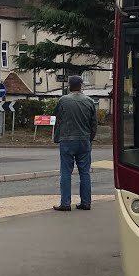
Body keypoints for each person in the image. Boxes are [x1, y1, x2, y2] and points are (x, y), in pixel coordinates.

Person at [52, 75, 98, 211]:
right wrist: (90, 138)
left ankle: (65, 203)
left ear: (69, 85)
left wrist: (57, 136)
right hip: (84, 139)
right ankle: (86, 202)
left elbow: (58, 118)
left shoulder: (63, 100)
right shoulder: (89, 101)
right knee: (85, 172)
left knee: (66, 172)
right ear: (81, 85)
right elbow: (93, 123)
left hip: (67, 139)